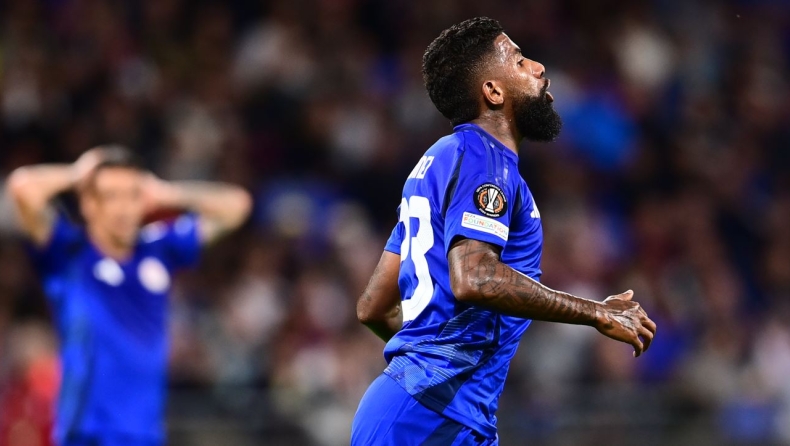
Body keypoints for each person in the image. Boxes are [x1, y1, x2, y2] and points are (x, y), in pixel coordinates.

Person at [352, 17, 657, 445]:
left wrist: (431, 359)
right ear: (493, 92)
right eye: (518, 60)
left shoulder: (440, 160)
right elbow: (475, 276)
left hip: (427, 409)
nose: (538, 67)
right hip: (431, 416)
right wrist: (595, 312)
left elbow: (374, 306)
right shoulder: (484, 159)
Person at [6, 146, 252, 446]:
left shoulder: (158, 248)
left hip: (146, 434)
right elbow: (23, 189)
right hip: (87, 434)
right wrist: (77, 173)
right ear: (88, 204)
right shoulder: (69, 252)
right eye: (111, 196)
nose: (123, 208)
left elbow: (236, 206)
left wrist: (167, 193)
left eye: (132, 195)